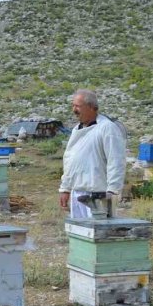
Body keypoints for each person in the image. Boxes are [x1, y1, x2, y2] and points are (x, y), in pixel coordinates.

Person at [58, 89, 127, 219]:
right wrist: (65, 188)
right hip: (77, 193)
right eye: (73, 106)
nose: (74, 110)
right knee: (80, 234)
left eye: (78, 106)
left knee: (98, 234)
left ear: (91, 107)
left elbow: (116, 160)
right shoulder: (76, 130)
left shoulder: (107, 128)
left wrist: (112, 191)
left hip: (98, 195)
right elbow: (69, 161)